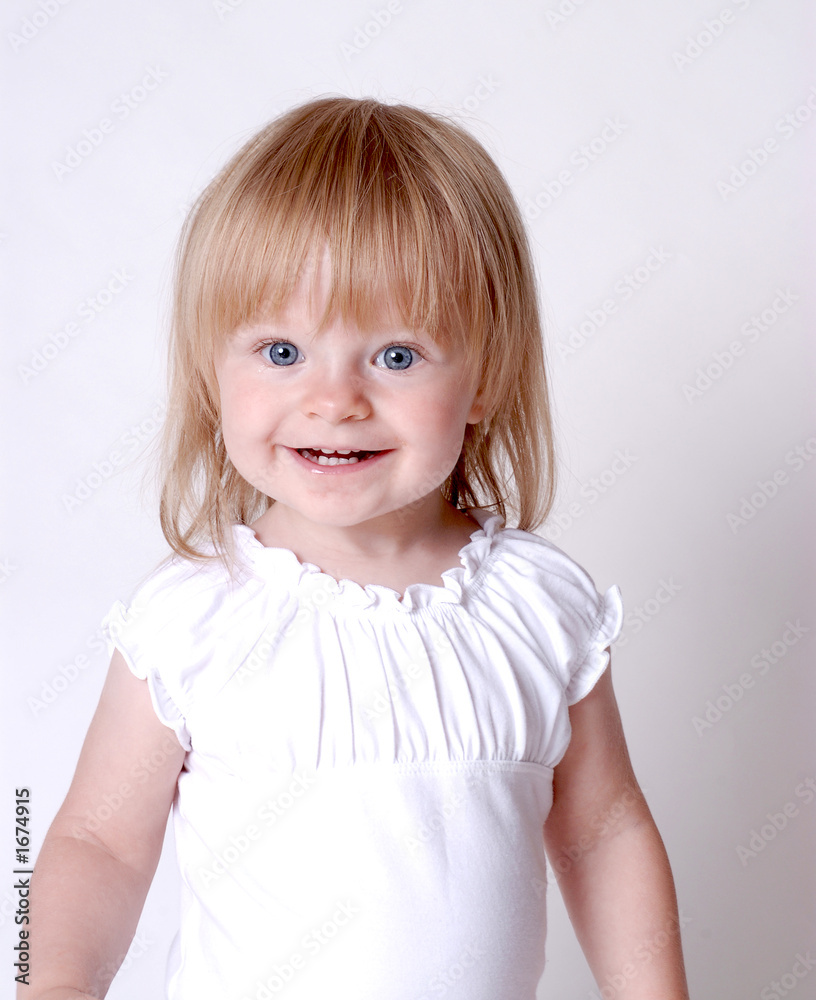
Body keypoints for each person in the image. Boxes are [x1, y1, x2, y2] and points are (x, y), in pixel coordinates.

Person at [25, 96, 690, 1000]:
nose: (335, 400)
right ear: (212, 371)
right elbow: (95, 842)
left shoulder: (539, 609)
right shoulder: (193, 620)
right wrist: (49, 983)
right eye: (282, 351)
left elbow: (603, 832)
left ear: (486, 374)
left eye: (397, 356)